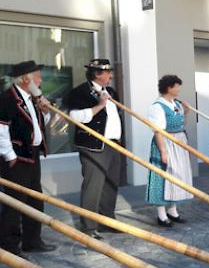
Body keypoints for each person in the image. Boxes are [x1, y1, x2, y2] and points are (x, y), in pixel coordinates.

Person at [0, 60, 57, 255]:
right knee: (14, 202)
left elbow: (39, 124)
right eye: (38, 76)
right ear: (26, 79)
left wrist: (45, 111)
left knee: (35, 200)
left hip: (32, 156)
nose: (40, 80)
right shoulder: (7, 99)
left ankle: (32, 240)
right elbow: (1, 129)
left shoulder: (32, 98)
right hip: (16, 158)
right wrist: (10, 156)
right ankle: (9, 244)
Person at [64, 58, 123, 240]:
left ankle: (107, 220)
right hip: (94, 146)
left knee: (111, 184)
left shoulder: (110, 91)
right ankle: (89, 226)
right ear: (97, 74)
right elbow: (75, 117)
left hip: (114, 144)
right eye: (108, 73)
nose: (111, 76)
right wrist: (99, 106)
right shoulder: (80, 92)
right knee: (93, 186)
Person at [145, 75, 192, 227]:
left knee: (176, 177)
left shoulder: (175, 103)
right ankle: (161, 215)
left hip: (178, 142)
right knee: (163, 177)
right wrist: (163, 151)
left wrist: (186, 112)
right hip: (165, 143)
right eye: (177, 86)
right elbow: (158, 131)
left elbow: (181, 124)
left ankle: (173, 210)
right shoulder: (157, 106)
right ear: (169, 88)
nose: (179, 89)